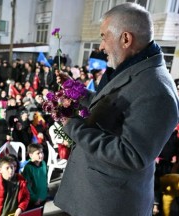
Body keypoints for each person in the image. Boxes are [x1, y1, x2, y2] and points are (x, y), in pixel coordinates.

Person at [53, 3, 179, 216]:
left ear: (126, 39)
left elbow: (131, 154)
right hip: (93, 193)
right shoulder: (131, 67)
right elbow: (109, 105)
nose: (101, 46)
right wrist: (76, 91)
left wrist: (72, 126)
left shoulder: (157, 90)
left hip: (109, 204)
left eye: (104, 36)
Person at [22, 144, 48, 210]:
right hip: (35, 200)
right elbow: (26, 186)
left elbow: (45, 178)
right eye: (38, 153)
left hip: (43, 196)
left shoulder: (43, 163)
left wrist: (46, 192)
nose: (41, 155)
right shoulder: (28, 168)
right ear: (31, 155)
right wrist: (34, 198)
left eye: (42, 152)